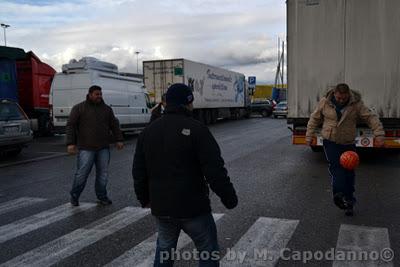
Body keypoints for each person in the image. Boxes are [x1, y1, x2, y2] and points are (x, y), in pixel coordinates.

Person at [132, 83, 238, 266]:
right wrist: (229, 198)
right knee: (207, 251)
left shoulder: (148, 131)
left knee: (164, 251)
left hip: (162, 208)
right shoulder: (197, 129)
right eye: (192, 101)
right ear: (187, 102)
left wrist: (144, 199)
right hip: (193, 208)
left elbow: (139, 171)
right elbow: (214, 170)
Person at [306, 83, 384, 216]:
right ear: (334, 93)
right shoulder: (325, 102)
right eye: (338, 98)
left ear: (348, 94)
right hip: (330, 141)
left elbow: (371, 118)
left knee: (349, 172)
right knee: (337, 168)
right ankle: (338, 195)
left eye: (344, 98)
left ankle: (349, 201)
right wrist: (309, 135)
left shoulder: (356, 104)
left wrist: (379, 134)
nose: (341, 100)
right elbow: (315, 118)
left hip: (348, 143)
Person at [66, 85, 124, 206]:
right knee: (82, 173)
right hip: (86, 148)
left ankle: (102, 197)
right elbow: (70, 125)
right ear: (90, 94)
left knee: (103, 174)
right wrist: (71, 143)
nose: (99, 96)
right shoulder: (79, 108)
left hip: (103, 147)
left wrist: (119, 140)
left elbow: (114, 125)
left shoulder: (107, 109)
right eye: (97, 94)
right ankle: (74, 196)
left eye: (100, 94)